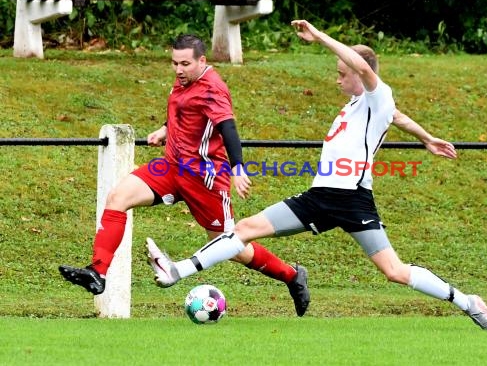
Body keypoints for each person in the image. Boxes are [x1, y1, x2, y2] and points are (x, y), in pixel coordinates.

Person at [146, 20, 487, 331]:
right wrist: (427, 138)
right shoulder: (359, 105)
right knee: (243, 230)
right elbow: (397, 117)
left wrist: (318, 36)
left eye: (341, 73)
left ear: (360, 72)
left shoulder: (377, 94)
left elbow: (373, 85)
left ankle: (468, 302)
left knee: (395, 272)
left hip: (351, 200)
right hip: (320, 197)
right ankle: (177, 271)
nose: (338, 78)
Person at [58, 34, 310, 317]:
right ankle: (98, 272)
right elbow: (184, 109)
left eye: (185, 64)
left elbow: (228, 129)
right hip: (170, 168)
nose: (178, 70)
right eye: (175, 63)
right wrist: (165, 129)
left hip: (205, 178)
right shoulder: (184, 80)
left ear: (202, 61)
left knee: (232, 246)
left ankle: (291, 275)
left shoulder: (214, 88)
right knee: (118, 197)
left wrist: (238, 168)